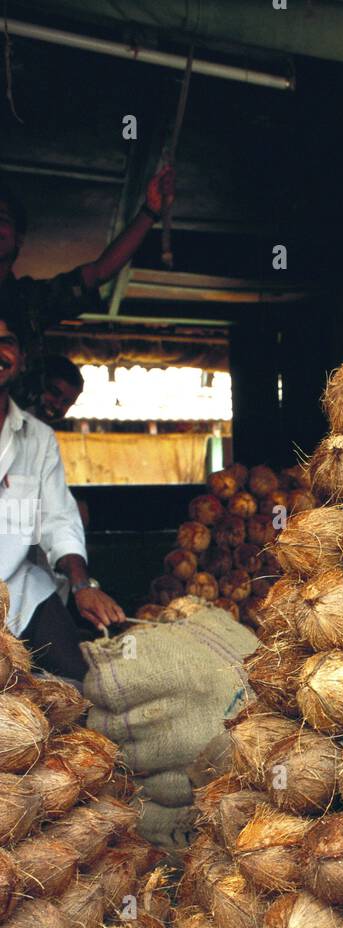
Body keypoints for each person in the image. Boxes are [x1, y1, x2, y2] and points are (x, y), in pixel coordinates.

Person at [0, 312, 124, 681]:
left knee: (75, 683)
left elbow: (58, 519)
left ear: (20, 357)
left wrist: (82, 585)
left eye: (5, 342)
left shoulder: (38, 439)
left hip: (21, 590)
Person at [0, 165, 175, 373]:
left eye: (2, 219)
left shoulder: (30, 300)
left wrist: (150, 210)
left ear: (18, 238)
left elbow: (100, 272)